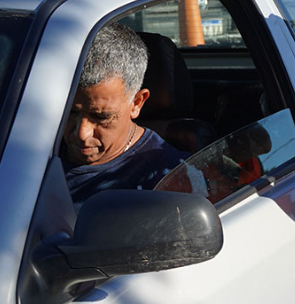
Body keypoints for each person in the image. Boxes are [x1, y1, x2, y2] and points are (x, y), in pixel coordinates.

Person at [60, 22, 200, 208]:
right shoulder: (20, 142)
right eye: (70, 112)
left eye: (101, 117)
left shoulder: (169, 183)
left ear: (137, 103)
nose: (82, 133)